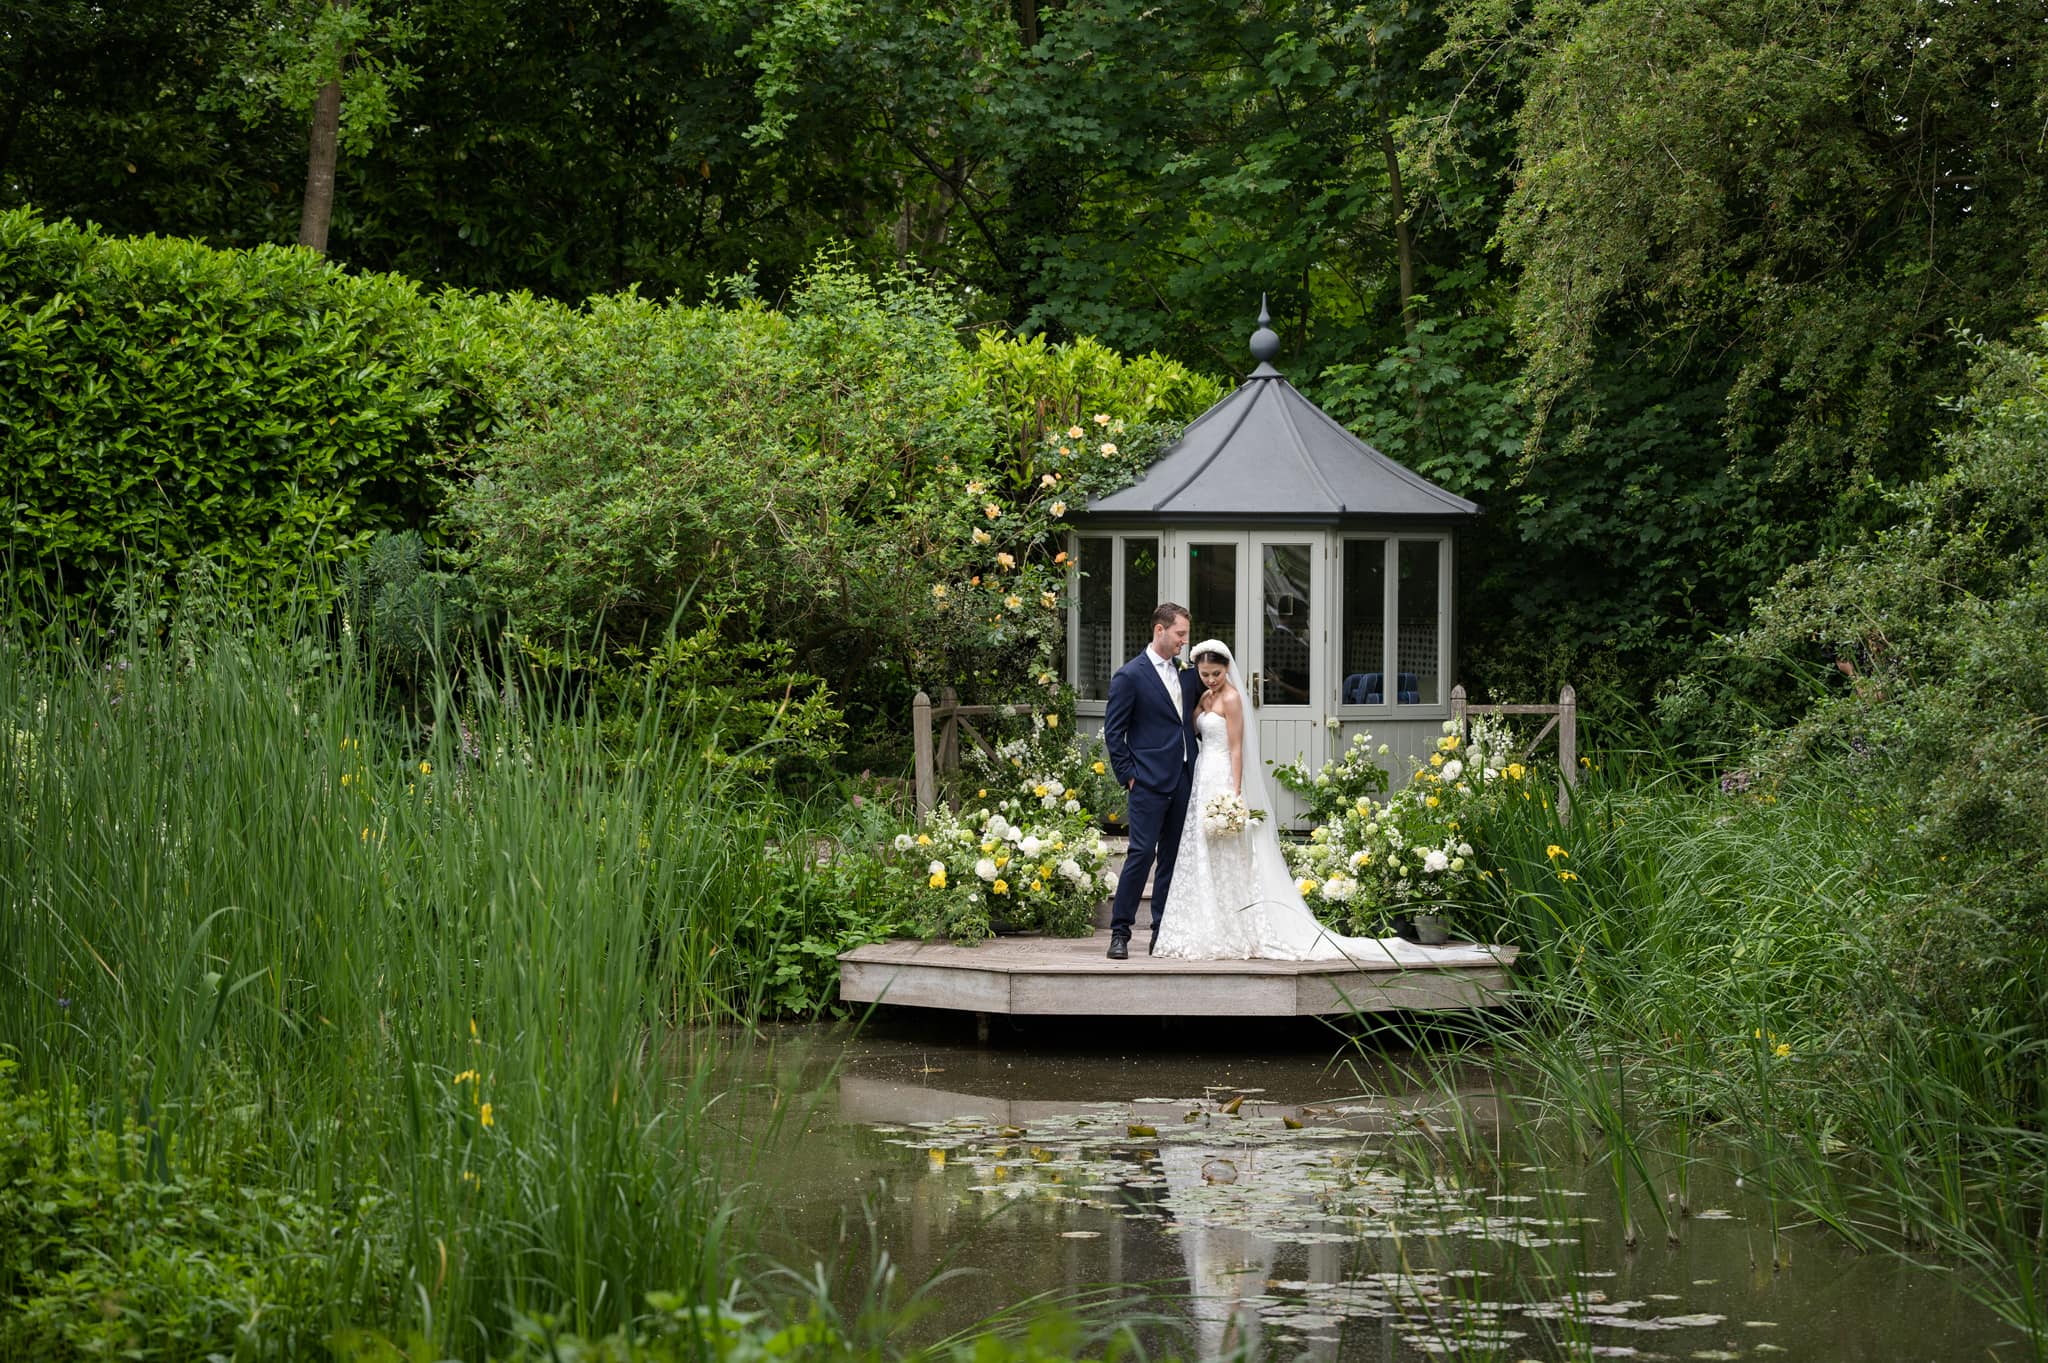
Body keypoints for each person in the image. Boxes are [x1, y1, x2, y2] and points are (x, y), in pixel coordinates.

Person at [1152, 638, 1501, 965]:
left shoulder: (1230, 699)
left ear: (1228, 669)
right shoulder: (1203, 697)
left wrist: (1236, 792)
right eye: (1205, 675)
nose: (1211, 679)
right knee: (1205, 849)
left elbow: (1236, 748)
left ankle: (1237, 928)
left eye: (1217, 674)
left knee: (1231, 852)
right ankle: (1211, 922)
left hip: (1225, 777)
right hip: (1203, 778)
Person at [1101, 602, 1203, 960]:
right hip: (1146, 782)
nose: (1184, 642)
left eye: (1185, 635)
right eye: (1180, 634)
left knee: (1172, 859)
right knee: (1141, 854)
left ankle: (1162, 930)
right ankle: (1120, 932)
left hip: (1183, 778)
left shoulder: (1186, 672)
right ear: (1159, 631)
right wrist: (1129, 776)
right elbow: (1114, 733)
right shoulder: (1130, 676)